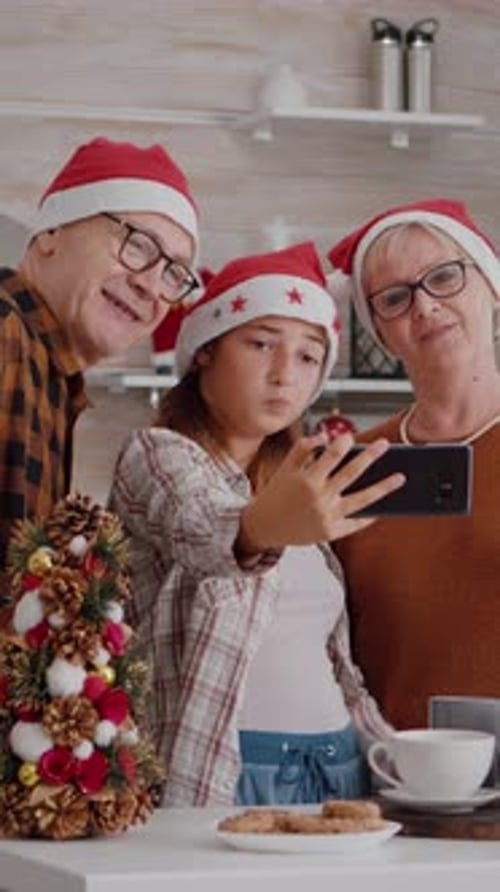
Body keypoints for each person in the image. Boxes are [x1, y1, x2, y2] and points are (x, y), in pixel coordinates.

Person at [109, 241, 405, 806]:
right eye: (262, 343)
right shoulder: (157, 456)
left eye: (307, 356)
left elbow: (333, 663)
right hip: (225, 773)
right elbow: (203, 527)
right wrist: (261, 528)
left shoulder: (298, 491)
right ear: (205, 351)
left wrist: (397, 757)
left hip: (339, 769)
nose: (282, 375)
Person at [0, 136, 200, 608]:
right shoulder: (5, 334)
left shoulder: (50, 373)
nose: (150, 285)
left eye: (174, 273)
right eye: (137, 245)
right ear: (51, 232)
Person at [328, 198, 500, 730]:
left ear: (492, 289)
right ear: (380, 333)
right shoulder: (355, 467)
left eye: (445, 277)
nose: (424, 307)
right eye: (395, 298)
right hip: (388, 781)